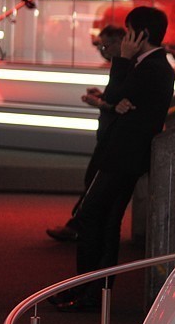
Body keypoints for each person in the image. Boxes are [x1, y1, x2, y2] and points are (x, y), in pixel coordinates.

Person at [53, 7, 175, 312]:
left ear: (141, 34)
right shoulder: (150, 65)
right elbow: (116, 98)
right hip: (125, 157)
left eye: (128, 30)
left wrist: (122, 62)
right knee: (106, 224)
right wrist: (117, 95)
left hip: (123, 157)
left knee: (91, 216)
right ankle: (91, 293)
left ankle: (87, 291)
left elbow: (114, 94)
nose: (124, 37)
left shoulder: (152, 67)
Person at [46, 25, 129, 242]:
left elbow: (122, 106)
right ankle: (81, 227)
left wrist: (100, 103)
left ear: (120, 41)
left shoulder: (126, 66)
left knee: (94, 184)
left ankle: (79, 228)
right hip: (111, 137)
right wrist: (102, 98)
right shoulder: (124, 65)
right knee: (95, 184)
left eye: (106, 46)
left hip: (113, 139)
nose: (103, 51)